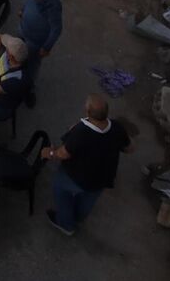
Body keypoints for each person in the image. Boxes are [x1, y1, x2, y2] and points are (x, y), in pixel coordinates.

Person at [43, 94, 132, 235]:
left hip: (78, 176)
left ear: (88, 112)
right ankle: (78, 217)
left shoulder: (81, 132)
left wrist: (50, 153)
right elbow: (129, 148)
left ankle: (66, 224)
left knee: (61, 188)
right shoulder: (116, 128)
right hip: (103, 177)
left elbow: (64, 153)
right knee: (88, 198)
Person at [19, 0, 64, 92]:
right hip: (23, 31)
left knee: (31, 66)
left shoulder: (53, 5)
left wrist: (46, 47)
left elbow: (57, 29)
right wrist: (23, 10)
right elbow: (28, 0)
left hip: (34, 42)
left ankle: (28, 89)